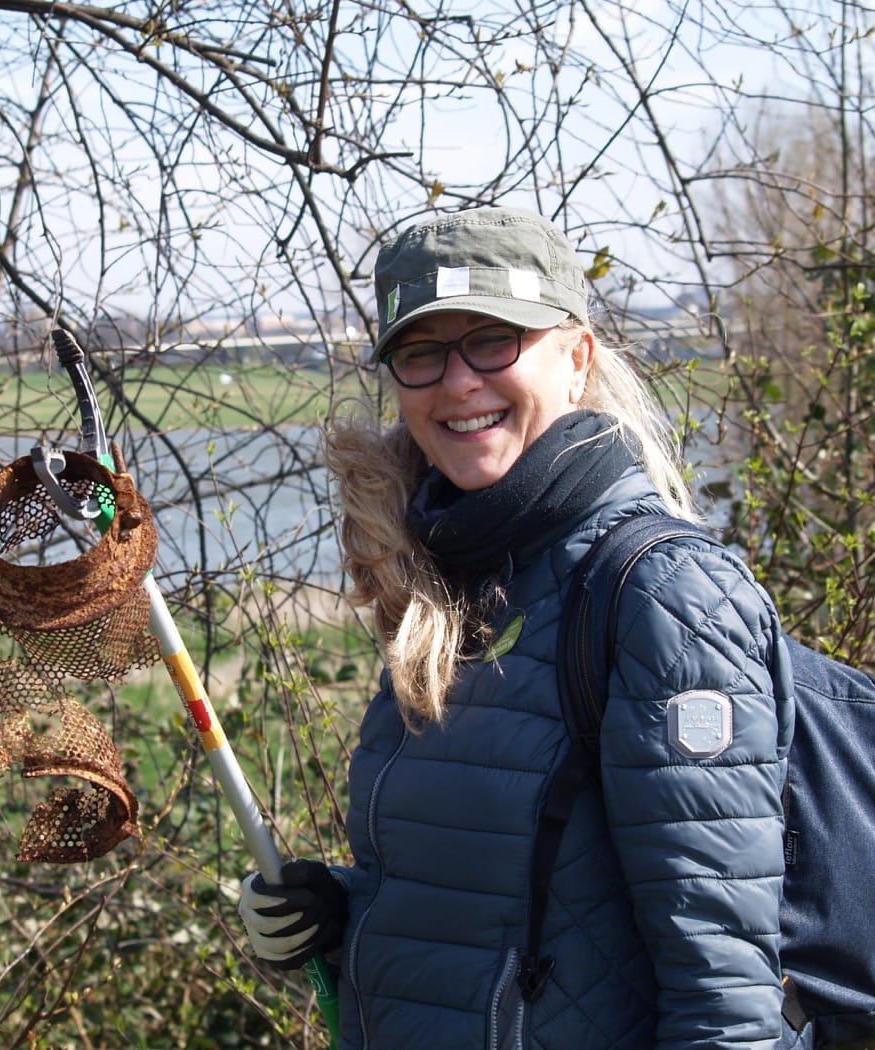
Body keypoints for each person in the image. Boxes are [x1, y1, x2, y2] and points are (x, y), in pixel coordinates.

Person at [237, 206, 803, 1048]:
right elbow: (509, 917)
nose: (458, 382)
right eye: (422, 353)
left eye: (495, 340)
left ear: (576, 360)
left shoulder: (663, 596)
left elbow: (724, 993)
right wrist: (340, 913)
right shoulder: (456, 583)